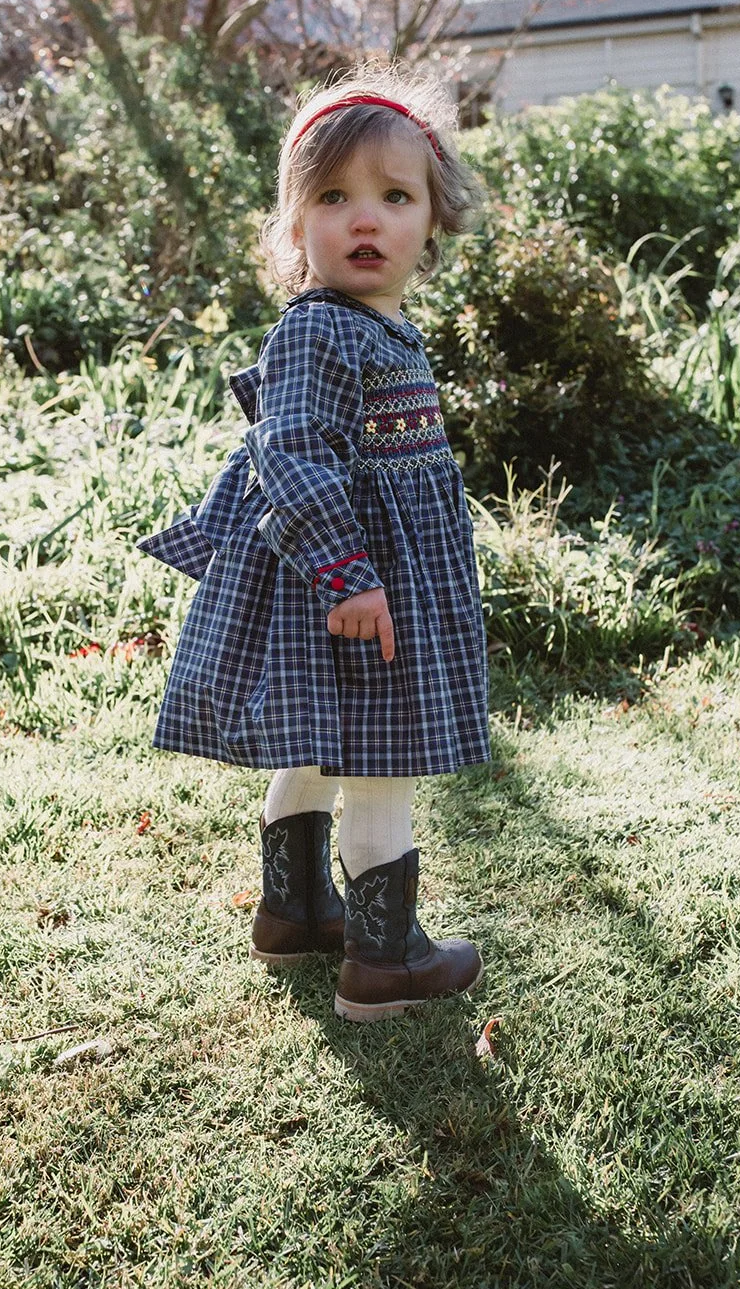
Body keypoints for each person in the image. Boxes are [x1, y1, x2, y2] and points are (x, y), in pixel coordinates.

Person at [140, 68, 491, 1022]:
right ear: (295, 226)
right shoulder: (317, 331)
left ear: (434, 218)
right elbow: (289, 451)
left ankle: (295, 914)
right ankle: (386, 962)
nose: (363, 218)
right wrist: (348, 575)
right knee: (380, 755)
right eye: (332, 197)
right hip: (349, 588)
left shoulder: (383, 328)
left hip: (363, 583)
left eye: (394, 196)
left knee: (320, 743)